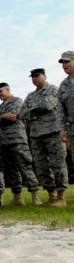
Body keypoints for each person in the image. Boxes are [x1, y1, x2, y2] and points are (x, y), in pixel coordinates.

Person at [20, 68, 68, 207]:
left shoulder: (53, 89)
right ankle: (51, 196)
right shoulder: (30, 95)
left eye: (37, 76)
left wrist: (32, 109)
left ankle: (61, 197)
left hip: (53, 132)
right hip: (36, 135)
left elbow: (48, 105)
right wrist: (35, 108)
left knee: (58, 164)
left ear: (44, 76)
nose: (34, 78)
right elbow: (23, 113)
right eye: (32, 77)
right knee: (41, 167)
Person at [0, 82, 42, 206]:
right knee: (11, 171)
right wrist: (4, 116)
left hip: (18, 140)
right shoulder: (0, 107)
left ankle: (35, 197)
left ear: (8, 90)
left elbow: (13, 117)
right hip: (4, 142)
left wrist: (1, 117)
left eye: (0, 91)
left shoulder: (17, 101)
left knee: (25, 167)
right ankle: (17, 198)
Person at [57, 50, 74, 189]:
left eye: (67, 61)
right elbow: (61, 110)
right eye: (62, 62)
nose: (64, 64)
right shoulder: (63, 85)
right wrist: (62, 128)